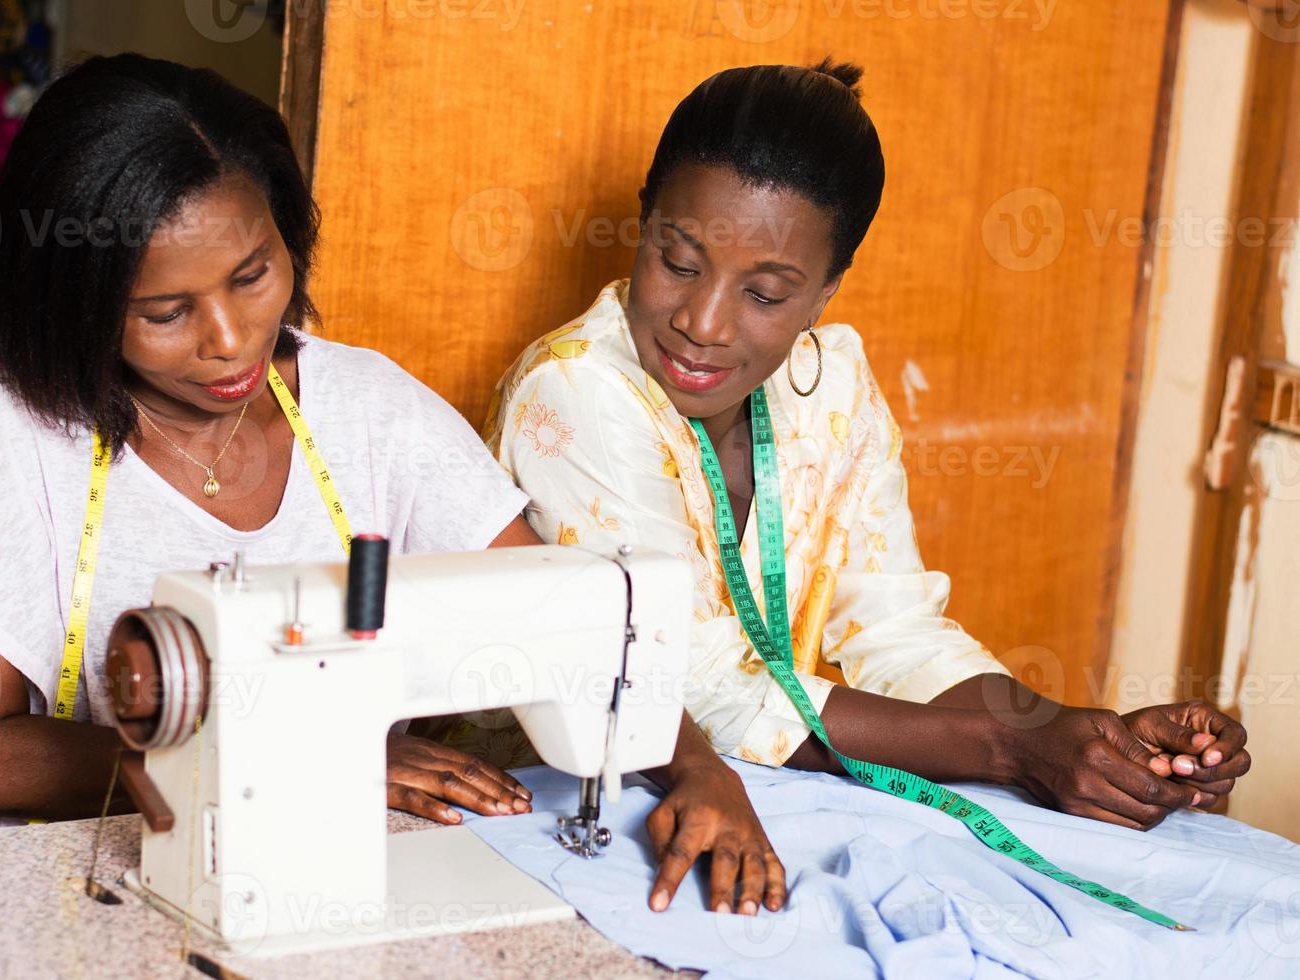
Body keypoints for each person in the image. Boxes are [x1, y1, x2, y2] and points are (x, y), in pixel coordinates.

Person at [476, 61, 1252, 916]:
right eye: (679, 261)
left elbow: (894, 631)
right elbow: (683, 683)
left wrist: (1076, 739)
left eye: (766, 293)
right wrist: (1010, 748)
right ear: (644, 221)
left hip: (767, 796)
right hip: (555, 805)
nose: (704, 323)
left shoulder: (832, 385)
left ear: (827, 291)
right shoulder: (576, 387)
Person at [0, 54, 538, 831]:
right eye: (165, 313)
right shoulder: (7, 420)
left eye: (253, 276)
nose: (230, 342)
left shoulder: (367, 407)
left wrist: (694, 765)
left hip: (311, 856)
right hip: (64, 888)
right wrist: (302, 758)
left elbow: (552, 601)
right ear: (77, 304)